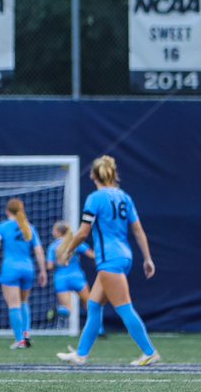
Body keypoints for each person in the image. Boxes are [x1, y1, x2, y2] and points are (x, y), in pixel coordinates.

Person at [56, 155, 160, 366]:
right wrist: (147, 258)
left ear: (94, 175)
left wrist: (68, 249)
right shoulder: (124, 197)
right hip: (123, 255)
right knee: (94, 306)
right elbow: (138, 230)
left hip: (110, 259)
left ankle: (149, 352)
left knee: (124, 307)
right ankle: (81, 354)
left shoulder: (95, 198)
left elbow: (83, 232)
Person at [0, 198, 47, 349]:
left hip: (11, 269)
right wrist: (43, 271)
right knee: (24, 302)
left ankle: (20, 340)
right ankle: (26, 334)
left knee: (14, 304)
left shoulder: (2, 227)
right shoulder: (29, 227)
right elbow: (39, 251)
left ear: (7, 211)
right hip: (28, 269)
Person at [46, 220, 95, 329]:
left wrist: (58, 263)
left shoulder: (53, 247)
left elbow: (49, 267)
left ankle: (58, 310)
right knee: (89, 305)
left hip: (61, 279)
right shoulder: (75, 243)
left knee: (67, 310)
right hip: (77, 277)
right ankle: (99, 329)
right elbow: (92, 255)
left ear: (58, 232)